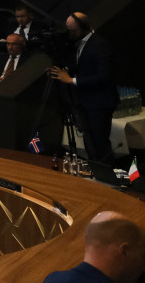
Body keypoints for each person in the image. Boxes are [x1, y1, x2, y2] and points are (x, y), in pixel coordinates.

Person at [48, 12, 119, 168]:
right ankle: (96, 172)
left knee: (100, 143)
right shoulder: (82, 43)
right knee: (90, 143)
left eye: (73, 30)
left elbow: (104, 76)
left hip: (99, 103)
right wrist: (63, 71)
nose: (70, 34)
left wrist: (71, 80)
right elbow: (82, 67)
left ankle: (111, 177)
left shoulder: (98, 44)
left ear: (84, 27)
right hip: (87, 102)